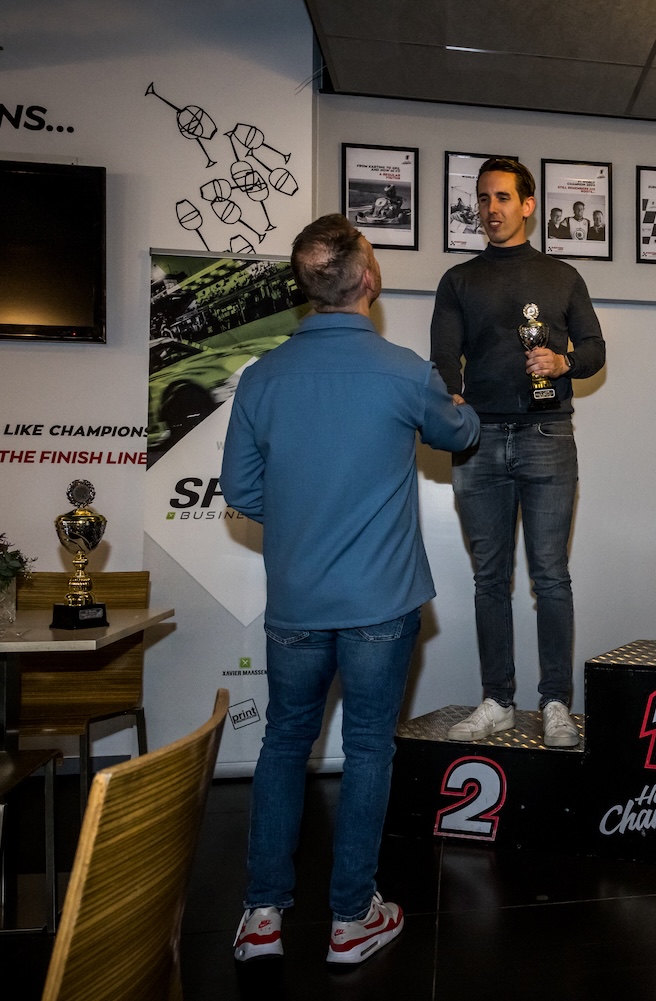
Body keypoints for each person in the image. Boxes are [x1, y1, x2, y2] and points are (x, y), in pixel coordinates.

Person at [223, 213, 479, 965]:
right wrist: (460, 403)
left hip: (296, 602)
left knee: (283, 743)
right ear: (368, 278)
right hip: (379, 605)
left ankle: (262, 916)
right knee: (368, 748)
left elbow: (240, 488)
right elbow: (459, 436)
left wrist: (304, 520)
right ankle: (350, 919)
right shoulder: (403, 371)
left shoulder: (262, 377)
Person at [430, 157, 606, 748]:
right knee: (489, 580)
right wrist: (452, 396)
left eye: (502, 197)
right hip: (479, 441)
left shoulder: (563, 276)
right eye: (483, 198)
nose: (491, 209)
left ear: (528, 205)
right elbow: (444, 356)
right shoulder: (458, 280)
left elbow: (595, 350)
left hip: (547, 436)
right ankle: (498, 701)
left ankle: (556, 703)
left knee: (550, 576)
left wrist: (563, 361)